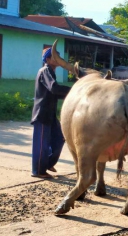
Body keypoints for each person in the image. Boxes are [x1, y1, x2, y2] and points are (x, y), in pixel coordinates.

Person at [30, 47, 71, 179]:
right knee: (41, 144)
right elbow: (54, 88)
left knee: (59, 139)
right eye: (55, 56)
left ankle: (47, 163)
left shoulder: (51, 72)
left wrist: (70, 95)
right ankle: (38, 171)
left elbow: (54, 93)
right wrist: (74, 89)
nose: (59, 58)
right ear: (48, 59)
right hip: (42, 114)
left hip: (50, 114)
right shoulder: (45, 70)